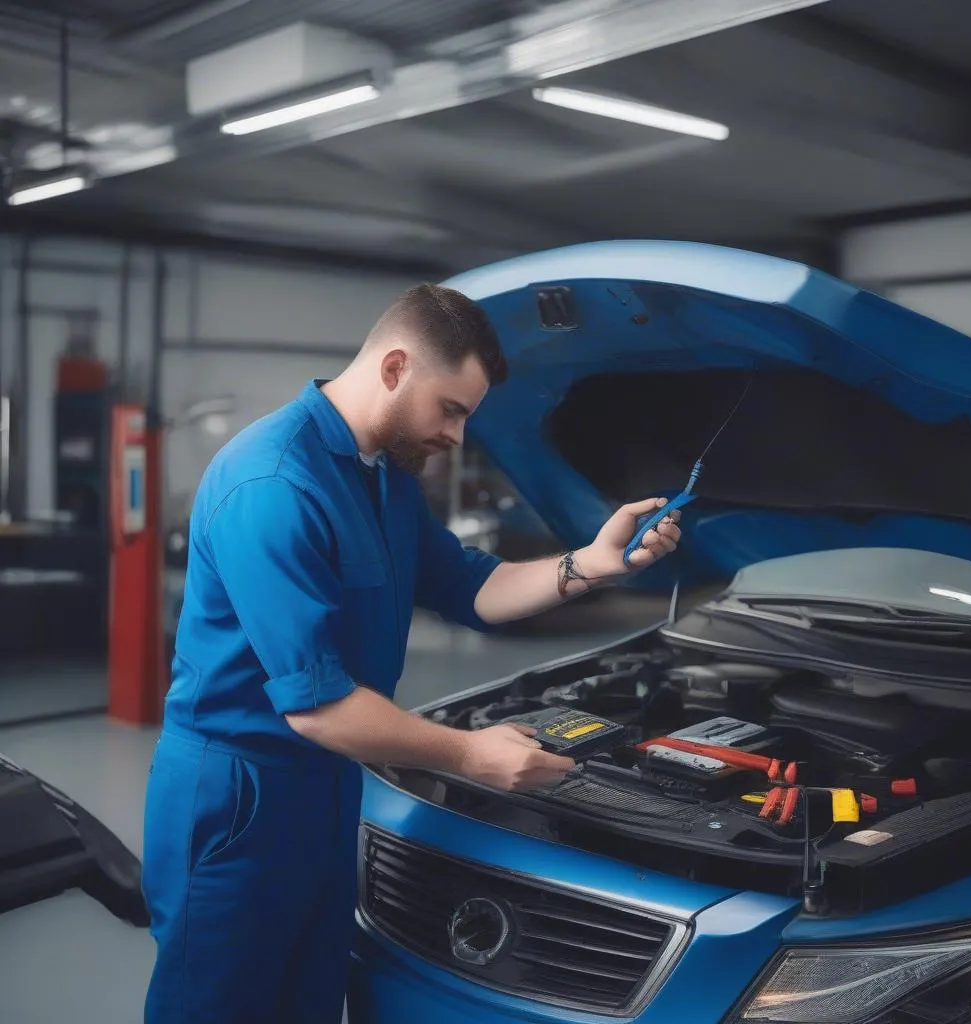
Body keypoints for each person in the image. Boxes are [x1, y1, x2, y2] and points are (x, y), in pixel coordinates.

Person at [141, 283, 681, 1024]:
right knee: (218, 1006)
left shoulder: (384, 477)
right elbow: (320, 709)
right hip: (240, 795)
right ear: (395, 367)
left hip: (328, 786)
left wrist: (590, 563)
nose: (457, 437)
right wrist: (470, 756)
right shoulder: (272, 485)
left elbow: (474, 586)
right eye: (451, 409)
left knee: (307, 998)